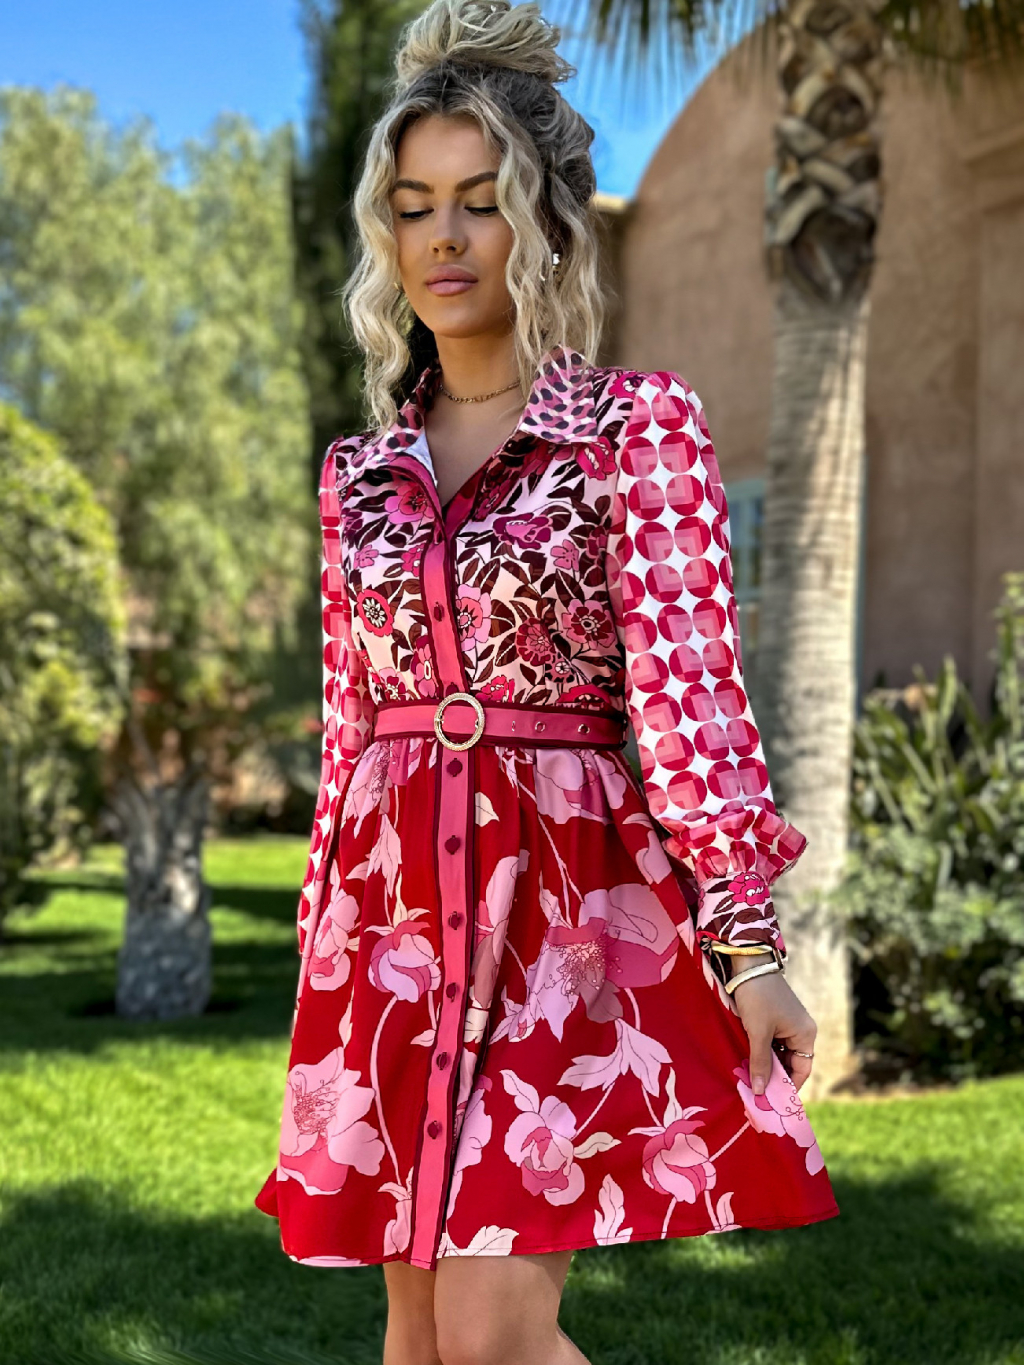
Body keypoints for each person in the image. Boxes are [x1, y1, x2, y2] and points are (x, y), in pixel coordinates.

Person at [255, 1, 840, 1361]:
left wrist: (749, 945)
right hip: (392, 923)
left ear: (548, 223)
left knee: (493, 1330)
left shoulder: (634, 430)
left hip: (562, 913)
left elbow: (692, 694)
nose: (445, 239)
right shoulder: (359, 477)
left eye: (482, 202)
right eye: (414, 208)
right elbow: (351, 725)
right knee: (416, 1331)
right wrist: (322, 933)